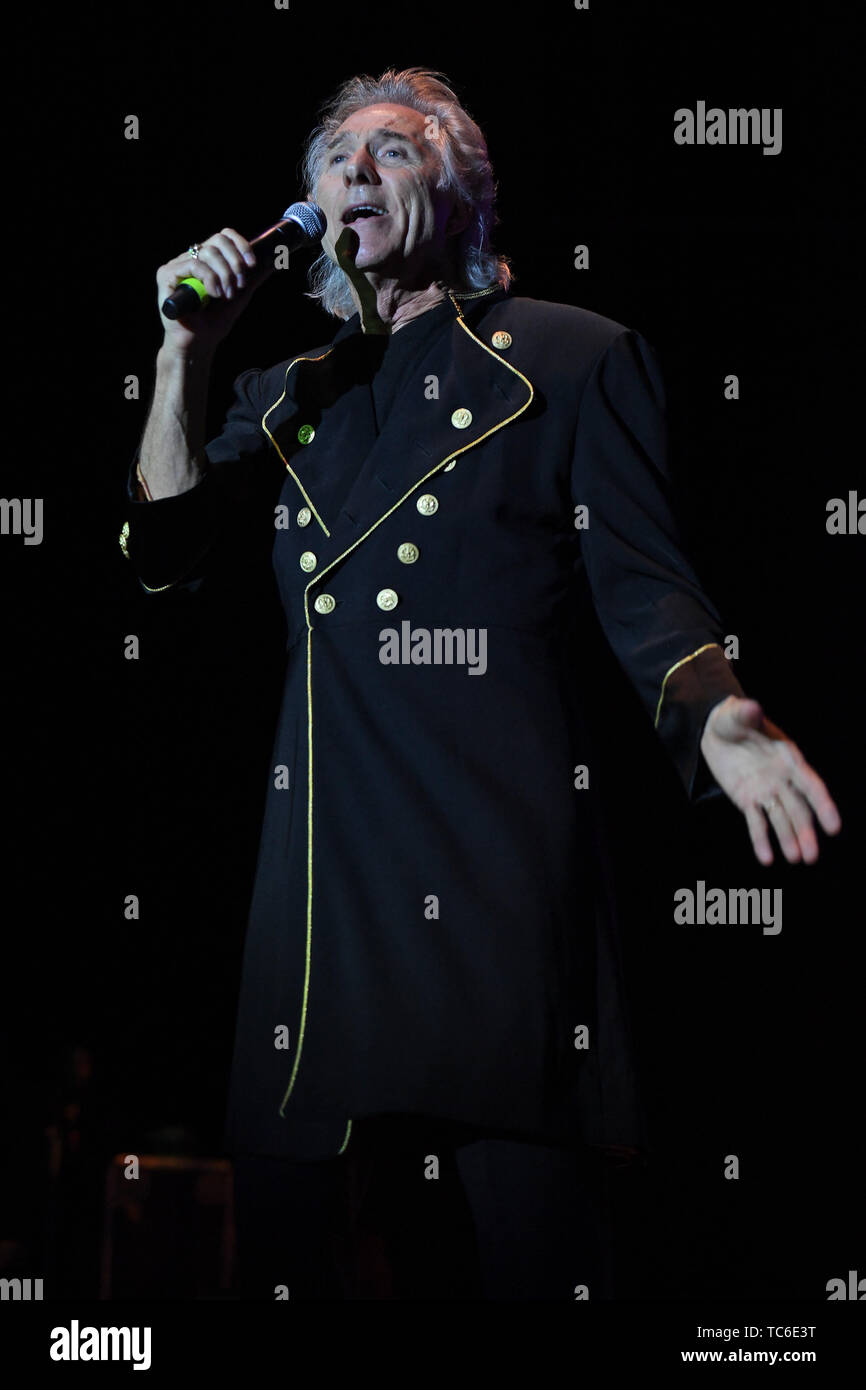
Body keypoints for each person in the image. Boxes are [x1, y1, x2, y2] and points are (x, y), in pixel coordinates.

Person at [119, 68, 841, 1299]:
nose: (354, 168)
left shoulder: (569, 357)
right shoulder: (291, 394)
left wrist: (714, 705)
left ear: (458, 198)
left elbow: (642, 585)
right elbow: (160, 557)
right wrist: (182, 353)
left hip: (495, 887)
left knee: (538, 1261)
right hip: (320, 900)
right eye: (335, 155)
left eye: (392, 151)